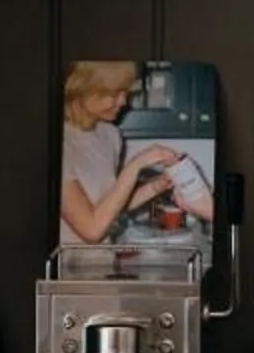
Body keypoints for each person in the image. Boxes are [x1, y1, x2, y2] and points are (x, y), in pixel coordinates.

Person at [58, 60, 183, 246]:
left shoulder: (110, 135)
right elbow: (91, 230)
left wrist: (155, 187)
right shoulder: (61, 143)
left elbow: (109, 209)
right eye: (114, 93)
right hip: (67, 269)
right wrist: (136, 164)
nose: (123, 101)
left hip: (103, 262)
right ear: (82, 89)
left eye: (125, 92)